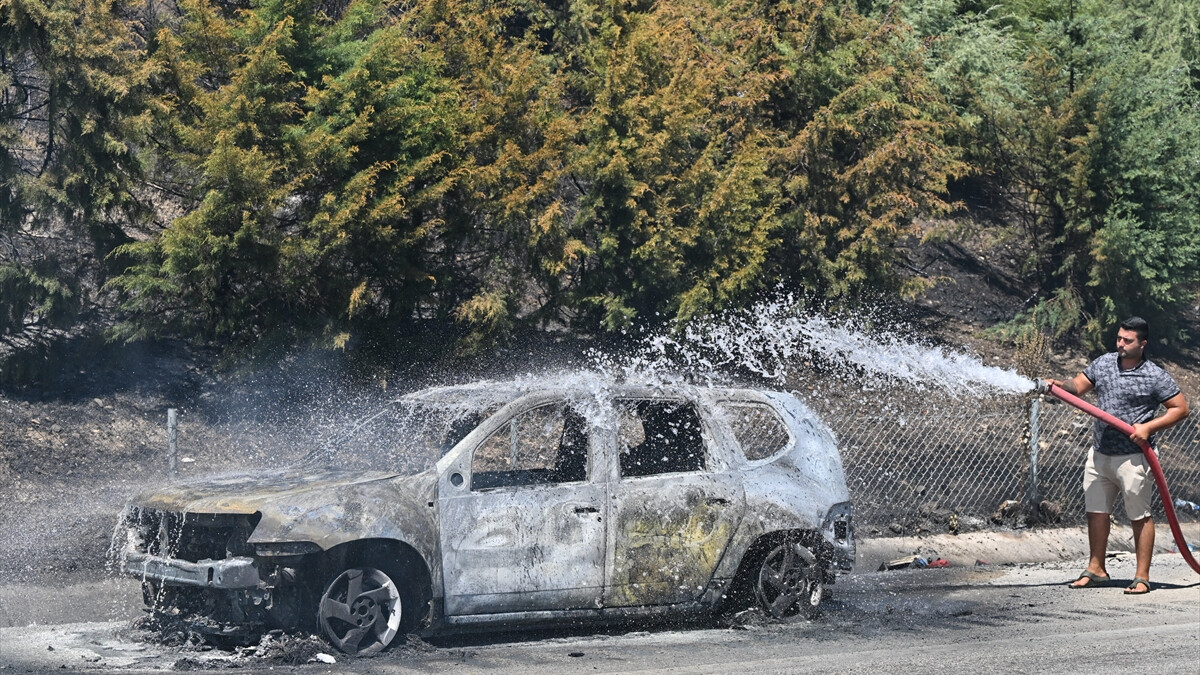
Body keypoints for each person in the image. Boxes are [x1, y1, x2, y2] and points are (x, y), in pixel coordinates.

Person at [1046, 316, 1189, 595]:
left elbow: (1180, 409)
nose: (1120, 343)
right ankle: (1096, 569)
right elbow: (1078, 386)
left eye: (1127, 340)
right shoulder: (1104, 363)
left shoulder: (1154, 375)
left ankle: (1141, 576)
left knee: (1140, 515)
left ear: (1142, 343)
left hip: (1134, 457)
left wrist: (1147, 427)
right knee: (1096, 512)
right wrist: (1060, 386)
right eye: (1119, 338)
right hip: (1100, 453)